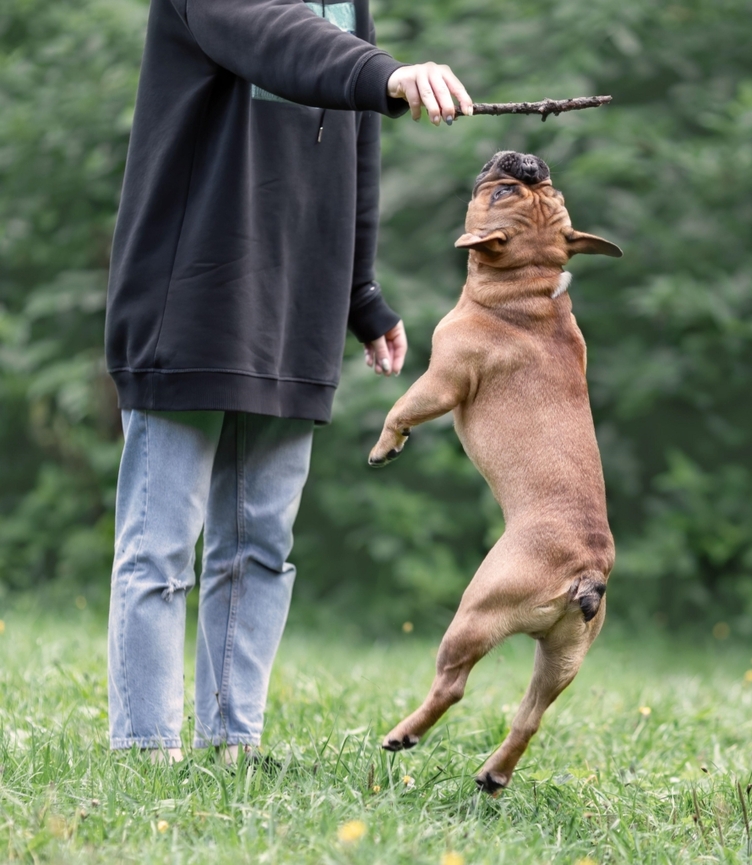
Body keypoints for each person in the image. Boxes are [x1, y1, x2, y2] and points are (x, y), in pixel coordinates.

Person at [104, 0, 473, 763]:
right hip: (191, 293)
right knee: (160, 549)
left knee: (263, 545)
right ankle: (144, 752)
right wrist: (388, 72)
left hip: (297, 298)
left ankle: (230, 746)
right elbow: (276, 38)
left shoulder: (350, 3)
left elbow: (357, 145)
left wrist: (358, 293)